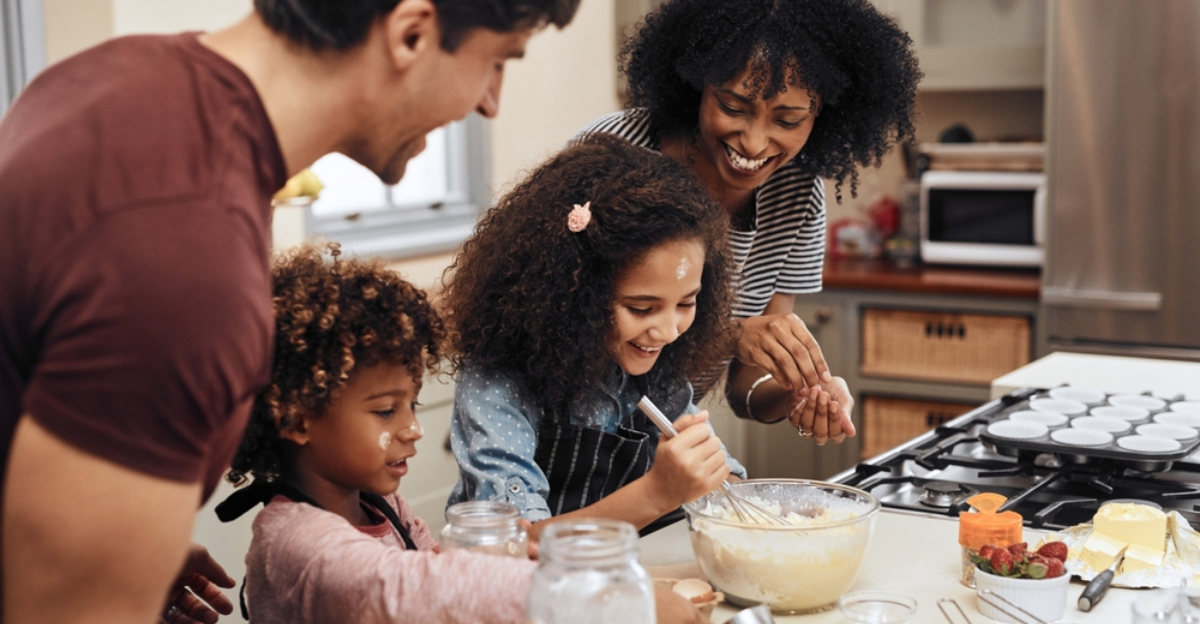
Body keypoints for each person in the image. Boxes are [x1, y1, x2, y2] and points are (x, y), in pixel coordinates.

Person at [0, 1, 579, 623]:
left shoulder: (113, 74)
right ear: (410, 33)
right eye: (496, 61)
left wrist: (123, 539)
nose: (490, 102)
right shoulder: (182, 256)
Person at [215, 243, 706, 624]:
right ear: (297, 419)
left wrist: (517, 552)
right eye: (386, 411)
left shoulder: (378, 506)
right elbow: (409, 590)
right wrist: (611, 599)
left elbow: (437, 564)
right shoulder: (296, 543)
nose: (412, 430)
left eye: (411, 405)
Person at [443, 134, 835, 536]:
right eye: (641, 309)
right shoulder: (497, 383)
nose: (667, 332)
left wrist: (799, 516)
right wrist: (657, 493)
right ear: (574, 295)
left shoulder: (654, 370)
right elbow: (517, 542)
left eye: (686, 303)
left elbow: (720, 490)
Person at [579, 0, 921, 444]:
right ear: (696, 84)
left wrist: (796, 394)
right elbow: (560, 334)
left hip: (657, 453)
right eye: (733, 106)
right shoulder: (614, 154)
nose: (755, 142)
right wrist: (726, 335)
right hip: (558, 449)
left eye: (788, 119)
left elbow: (747, 387)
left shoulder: (797, 197)